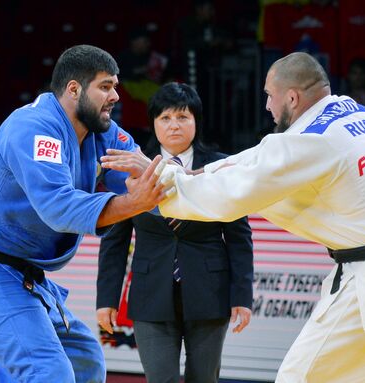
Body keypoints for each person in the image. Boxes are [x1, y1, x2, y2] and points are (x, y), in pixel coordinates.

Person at [100, 52, 365, 382]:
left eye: (270, 95)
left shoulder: (309, 142)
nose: (267, 105)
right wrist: (185, 173)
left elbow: (228, 196)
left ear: (292, 98)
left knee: (298, 377)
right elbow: (259, 157)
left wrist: (157, 175)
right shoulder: (354, 112)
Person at [0, 44, 168, 383]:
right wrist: (136, 203)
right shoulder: (34, 128)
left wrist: (210, 184)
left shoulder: (101, 132)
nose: (116, 95)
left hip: (25, 276)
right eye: (105, 86)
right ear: (73, 89)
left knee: (85, 361)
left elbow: (147, 179)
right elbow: (59, 208)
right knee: (47, 371)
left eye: (115, 86)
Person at [96, 82, 253, 383]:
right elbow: (115, 242)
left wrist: (242, 296)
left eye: (183, 117)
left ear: (196, 121)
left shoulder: (220, 167)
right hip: (150, 293)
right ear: (153, 123)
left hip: (210, 293)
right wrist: (107, 298)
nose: (174, 126)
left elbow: (239, 238)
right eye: (165, 118)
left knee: (204, 379)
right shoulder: (131, 168)